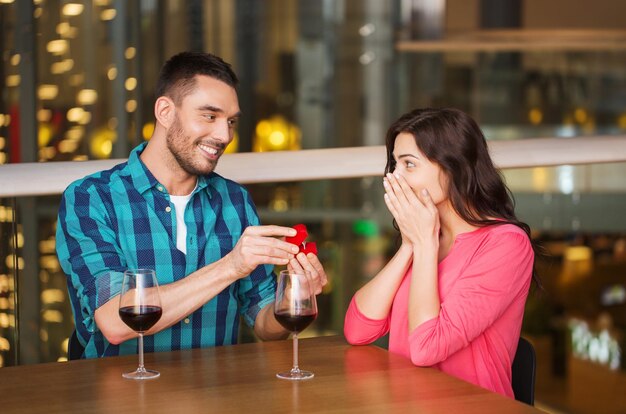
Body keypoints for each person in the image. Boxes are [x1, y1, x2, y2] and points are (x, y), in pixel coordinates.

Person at [56, 51, 327, 358]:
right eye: (209, 116)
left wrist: (290, 299)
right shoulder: (92, 198)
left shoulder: (235, 201)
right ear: (165, 112)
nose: (224, 135)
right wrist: (231, 266)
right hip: (121, 397)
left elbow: (265, 325)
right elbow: (116, 322)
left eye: (231, 121)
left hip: (215, 395)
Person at [343, 107, 536, 398]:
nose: (395, 178)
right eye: (394, 165)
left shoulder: (506, 244)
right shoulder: (425, 237)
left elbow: (425, 349)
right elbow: (357, 331)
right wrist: (409, 245)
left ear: (452, 167)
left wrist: (422, 245)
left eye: (409, 165)